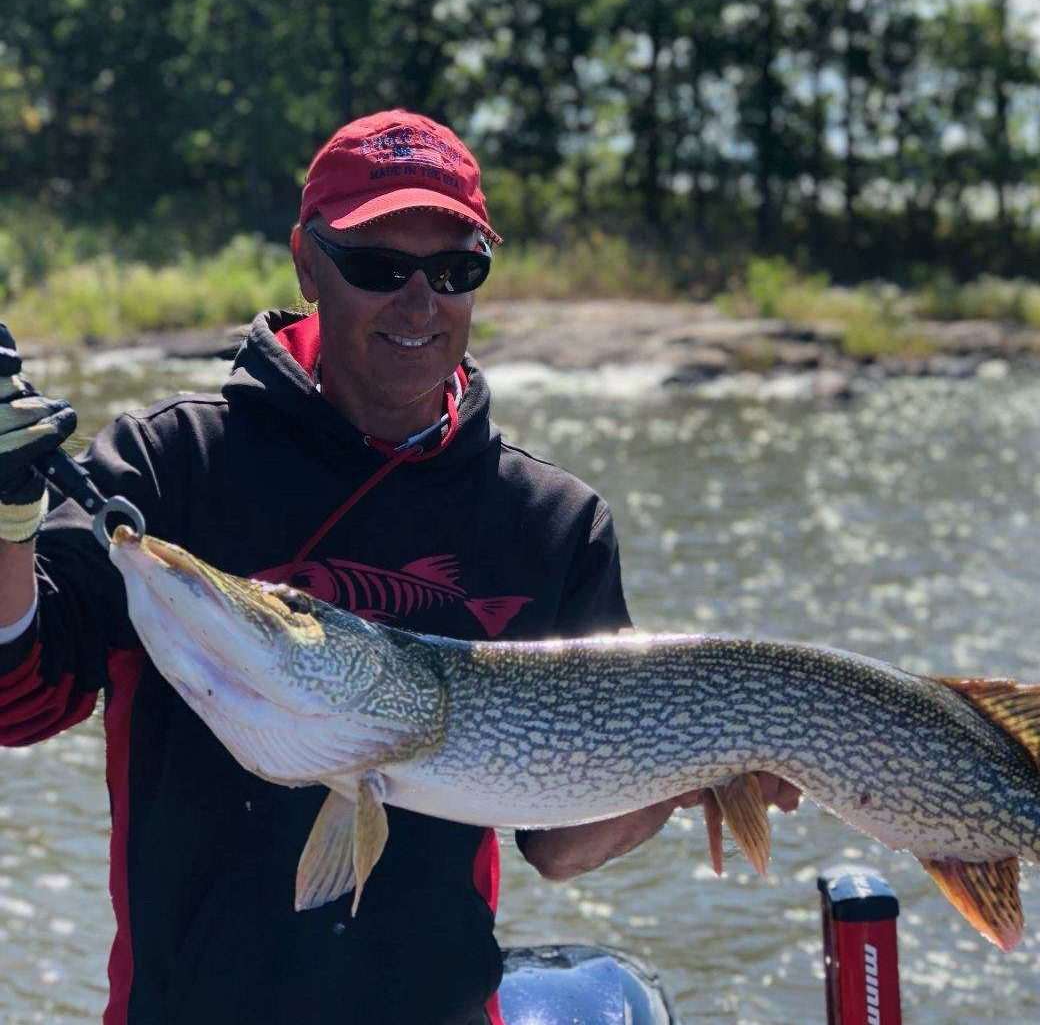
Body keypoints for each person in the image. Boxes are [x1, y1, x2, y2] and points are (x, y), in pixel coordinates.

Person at [0, 108, 800, 1024]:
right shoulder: (171, 463)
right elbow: (19, 699)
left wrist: (703, 761)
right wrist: (6, 523)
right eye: (380, 269)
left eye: (456, 271)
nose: (420, 304)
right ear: (308, 263)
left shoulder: (549, 520)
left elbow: (564, 843)